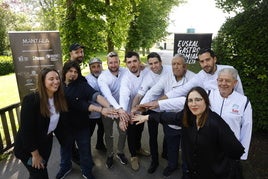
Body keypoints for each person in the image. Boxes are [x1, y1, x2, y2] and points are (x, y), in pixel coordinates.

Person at [131, 86, 245, 179]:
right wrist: (147, 117)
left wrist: (219, 162)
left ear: (206, 101)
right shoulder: (187, 117)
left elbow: (236, 150)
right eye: (190, 100)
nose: (193, 104)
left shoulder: (216, 123)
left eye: (198, 100)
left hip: (212, 173)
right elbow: (168, 117)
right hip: (191, 172)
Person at [56, 61, 115, 179]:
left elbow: (96, 96)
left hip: (81, 126)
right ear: (65, 72)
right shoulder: (57, 86)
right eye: (70, 71)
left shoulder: (82, 85)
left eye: (75, 72)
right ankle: (65, 167)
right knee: (65, 149)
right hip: (64, 127)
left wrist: (109, 107)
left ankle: (87, 171)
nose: (73, 74)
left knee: (85, 151)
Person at [139, 54, 195, 176]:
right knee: (171, 145)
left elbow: (187, 101)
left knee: (187, 148)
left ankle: (187, 169)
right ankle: (172, 165)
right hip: (170, 119)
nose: (176, 67)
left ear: (185, 66)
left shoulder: (193, 78)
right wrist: (140, 106)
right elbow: (152, 92)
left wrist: (160, 103)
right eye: (173, 64)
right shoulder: (167, 78)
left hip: (187, 119)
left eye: (178, 64)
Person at [14, 67, 68, 179]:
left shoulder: (58, 98)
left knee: (37, 174)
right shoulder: (31, 100)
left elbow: (57, 124)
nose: (56, 81)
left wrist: (67, 142)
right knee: (40, 175)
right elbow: (26, 131)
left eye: (57, 78)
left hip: (45, 144)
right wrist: (35, 155)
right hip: (28, 149)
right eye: (51, 79)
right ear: (43, 82)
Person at [131, 52, 172, 174]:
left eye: (156, 63)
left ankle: (166, 153)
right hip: (152, 110)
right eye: (151, 64)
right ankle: (155, 161)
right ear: (148, 65)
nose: (154, 66)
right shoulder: (148, 76)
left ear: (161, 62)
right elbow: (139, 95)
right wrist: (133, 109)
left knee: (168, 133)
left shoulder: (170, 70)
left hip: (167, 108)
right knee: (152, 137)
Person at [163, 48, 244, 100]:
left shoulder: (229, 70)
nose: (205, 64)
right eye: (202, 61)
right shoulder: (200, 76)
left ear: (214, 59)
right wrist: (159, 101)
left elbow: (239, 92)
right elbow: (183, 89)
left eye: (207, 60)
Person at [209, 68, 252, 161]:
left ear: (235, 82)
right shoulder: (209, 96)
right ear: (217, 81)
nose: (223, 83)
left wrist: (242, 154)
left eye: (228, 81)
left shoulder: (243, 101)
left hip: (230, 149)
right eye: (220, 80)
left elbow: (246, 128)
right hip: (209, 146)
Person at [97, 51, 129, 168]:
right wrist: (118, 109)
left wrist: (121, 109)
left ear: (119, 62)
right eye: (111, 63)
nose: (114, 65)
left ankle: (120, 152)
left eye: (116, 62)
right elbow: (108, 95)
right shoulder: (103, 77)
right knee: (108, 133)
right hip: (109, 109)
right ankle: (110, 154)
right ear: (107, 63)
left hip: (122, 108)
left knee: (123, 132)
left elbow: (139, 70)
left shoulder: (126, 71)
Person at [119, 51, 150, 171]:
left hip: (142, 108)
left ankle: (138, 148)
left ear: (139, 61)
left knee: (140, 130)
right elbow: (124, 95)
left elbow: (155, 68)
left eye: (134, 61)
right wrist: (124, 114)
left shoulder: (145, 71)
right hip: (129, 109)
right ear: (126, 64)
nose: (132, 64)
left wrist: (146, 66)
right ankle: (133, 156)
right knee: (131, 133)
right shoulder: (126, 78)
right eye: (129, 62)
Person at [85, 57, 106, 152]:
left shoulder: (105, 76)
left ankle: (100, 144)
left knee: (102, 129)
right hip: (92, 111)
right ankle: (86, 151)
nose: (96, 69)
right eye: (93, 67)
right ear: (90, 68)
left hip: (104, 111)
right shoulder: (87, 79)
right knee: (88, 133)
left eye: (98, 66)